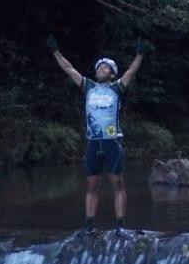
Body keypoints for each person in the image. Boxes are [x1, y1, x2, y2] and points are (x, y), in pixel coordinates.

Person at [49, 37, 144, 232]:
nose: (101, 69)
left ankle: (120, 226)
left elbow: (131, 71)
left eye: (105, 67)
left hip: (112, 143)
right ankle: (89, 226)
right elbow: (69, 69)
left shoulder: (117, 88)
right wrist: (55, 52)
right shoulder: (88, 87)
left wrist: (140, 55)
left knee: (118, 184)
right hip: (93, 144)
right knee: (91, 186)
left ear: (112, 73)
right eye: (99, 67)